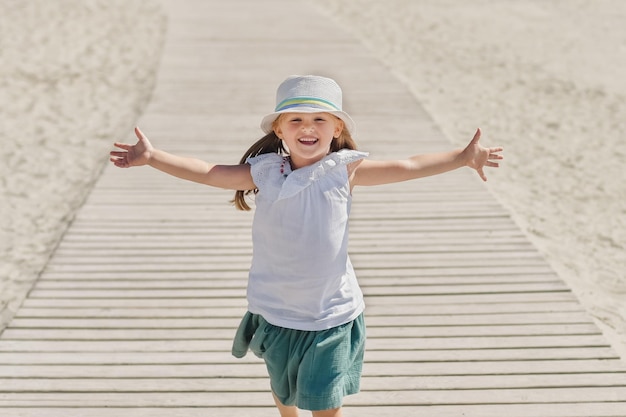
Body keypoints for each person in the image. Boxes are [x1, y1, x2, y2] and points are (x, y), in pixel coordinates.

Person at [110, 75, 503, 417]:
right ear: (280, 130)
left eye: (319, 119)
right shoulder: (266, 172)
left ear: (336, 129)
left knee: (324, 400)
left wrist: (462, 157)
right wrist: (154, 157)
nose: (307, 127)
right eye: (295, 119)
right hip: (277, 306)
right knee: (282, 386)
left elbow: (410, 165)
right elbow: (210, 173)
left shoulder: (344, 171)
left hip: (330, 311)